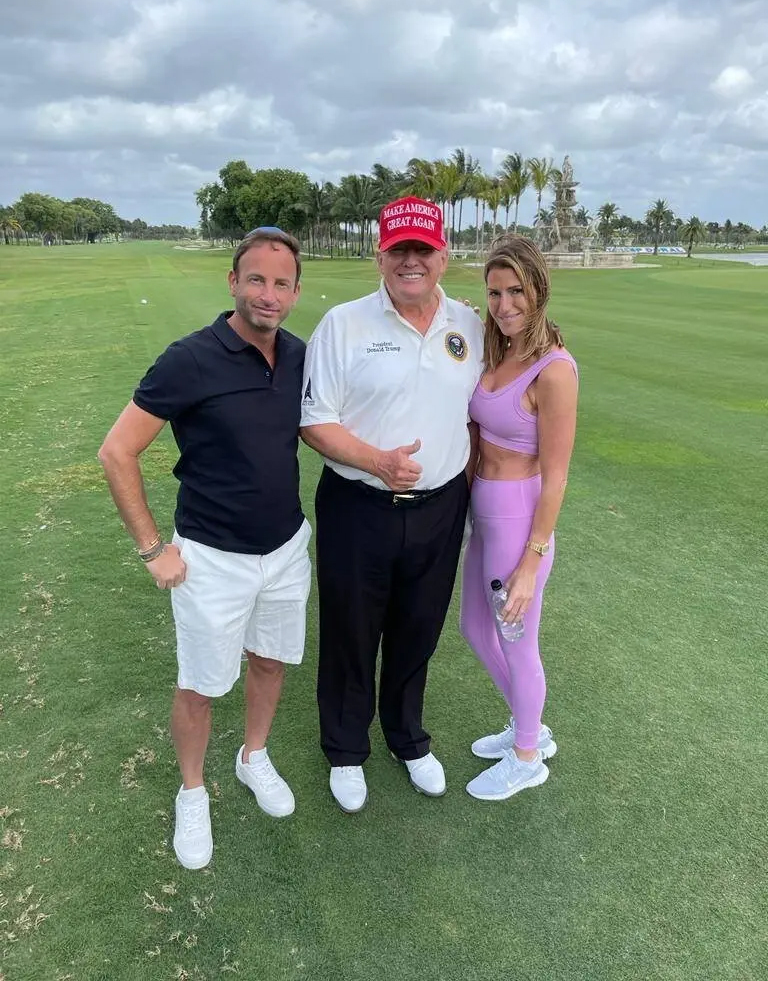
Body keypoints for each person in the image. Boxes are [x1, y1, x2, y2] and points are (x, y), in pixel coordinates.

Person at [98, 227, 311, 869]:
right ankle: (193, 792)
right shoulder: (189, 358)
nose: (267, 295)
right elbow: (117, 450)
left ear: (296, 292)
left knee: (269, 661)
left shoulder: (298, 354)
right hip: (212, 558)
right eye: (256, 279)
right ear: (233, 282)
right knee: (200, 685)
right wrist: (151, 548)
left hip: (286, 547)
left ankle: (253, 757)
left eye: (281, 283)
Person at [300, 197, 484, 812]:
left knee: (418, 626)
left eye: (423, 250)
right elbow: (315, 422)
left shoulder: (469, 324)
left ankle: (407, 737)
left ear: (443, 255)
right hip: (360, 504)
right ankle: (347, 749)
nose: (412, 261)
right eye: (399, 250)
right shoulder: (344, 324)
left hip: (440, 506)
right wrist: (377, 460)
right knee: (352, 628)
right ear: (380, 255)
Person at [460, 234, 578, 801]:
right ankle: (527, 725)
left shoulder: (554, 371)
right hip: (483, 514)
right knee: (473, 629)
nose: (504, 305)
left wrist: (532, 563)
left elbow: (556, 477)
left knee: (516, 641)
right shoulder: (498, 353)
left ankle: (528, 754)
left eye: (516, 292)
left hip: (518, 520)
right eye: (495, 293)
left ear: (538, 292)